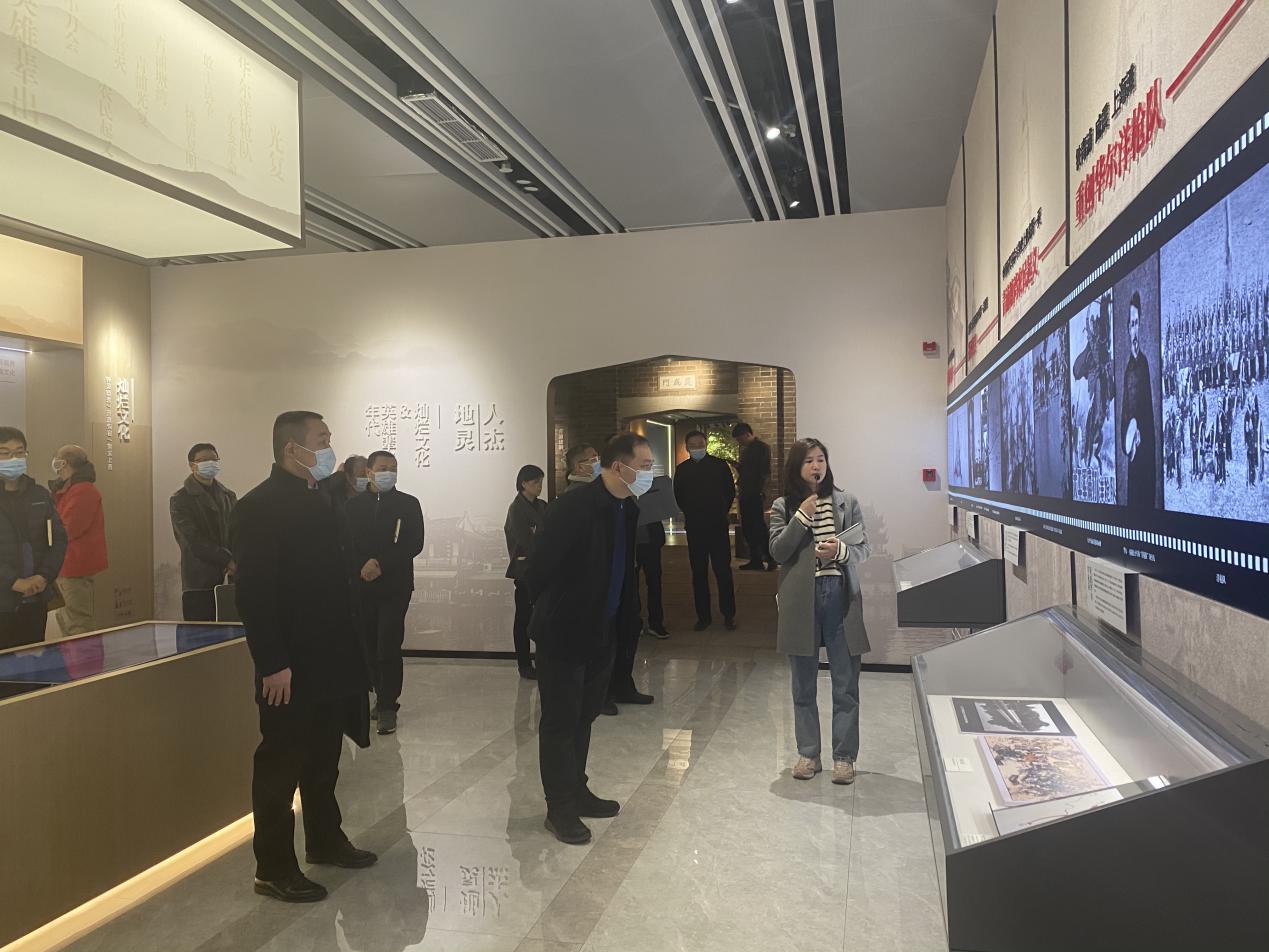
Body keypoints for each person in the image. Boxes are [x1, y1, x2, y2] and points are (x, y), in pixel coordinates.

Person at [230, 410, 376, 904]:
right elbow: (254, 594)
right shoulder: (259, 507)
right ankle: (273, 867)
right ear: (292, 448)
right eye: (322, 438)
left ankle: (325, 838)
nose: (329, 446)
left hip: (332, 657)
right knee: (280, 766)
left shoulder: (325, 500)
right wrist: (272, 662)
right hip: (289, 665)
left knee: (323, 759)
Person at [527, 434, 653, 845]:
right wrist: (561, 608)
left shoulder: (626, 507)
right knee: (560, 721)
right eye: (644, 466)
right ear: (619, 467)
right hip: (564, 631)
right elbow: (537, 568)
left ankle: (577, 790)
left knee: (584, 716)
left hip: (603, 631)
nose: (649, 474)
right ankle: (559, 807)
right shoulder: (575, 506)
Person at [769, 438, 871, 785]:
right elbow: (778, 552)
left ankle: (844, 758)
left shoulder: (847, 501)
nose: (816, 466)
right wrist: (801, 516)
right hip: (801, 599)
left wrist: (840, 551)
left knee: (846, 683)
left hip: (840, 597)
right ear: (796, 467)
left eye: (821, 459)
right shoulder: (783, 506)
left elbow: (864, 549)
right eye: (809, 461)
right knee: (803, 684)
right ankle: (808, 754)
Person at [347, 451, 425, 736]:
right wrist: (362, 565)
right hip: (363, 583)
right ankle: (379, 695)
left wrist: (380, 563)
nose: (388, 473)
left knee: (388, 643)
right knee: (368, 644)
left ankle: (388, 705)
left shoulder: (408, 504)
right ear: (368, 472)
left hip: (395, 585)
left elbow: (414, 543)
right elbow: (345, 543)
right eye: (382, 468)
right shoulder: (352, 506)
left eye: (393, 468)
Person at [0, 428, 66, 650]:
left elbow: (59, 539)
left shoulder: (39, 494)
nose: (13, 459)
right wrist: (13, 582)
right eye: (5, 453)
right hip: (3, 600)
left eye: (19, 452)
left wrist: (44, 576)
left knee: (34, 660)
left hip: (35, 598)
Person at [673, 431, 737, 631]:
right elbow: (678, 496)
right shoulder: (682, 469)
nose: (697, 448)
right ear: (687, 447)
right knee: (698, 573)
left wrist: (721, 511)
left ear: (706, 444)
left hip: (717, 526)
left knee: (723, 571)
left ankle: (728, 614)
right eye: (692, 445)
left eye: (700, 444)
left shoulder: (720, 466)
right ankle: (703, 617)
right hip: (695, 528)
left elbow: (730, 492)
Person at [169, 443, 238, 622]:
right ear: (192, 465)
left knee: (231, 632)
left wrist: (236, 560)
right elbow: (192, 541)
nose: (210, 464)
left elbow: (237, 532)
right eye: (204, 460)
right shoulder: (180, 500)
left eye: (214, 460)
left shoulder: (228, 496)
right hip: (199, 582)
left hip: (230, 579)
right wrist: (227, 559)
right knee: (200, 633)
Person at [50, 445, 108, 637]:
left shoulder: (82, 491)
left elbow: (68, 528)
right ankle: (73, 655)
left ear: (64, 463)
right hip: (67, 564)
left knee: (77, 622)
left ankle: (84, 657)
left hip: (74, 565)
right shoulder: (73, 489)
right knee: (67, 619)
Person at [504, 464, 547, 679]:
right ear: (523, 484)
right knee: (523, 618)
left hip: (543, 569)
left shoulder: (542, 505)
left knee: (542, 616)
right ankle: (524, 664)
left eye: (540, 481)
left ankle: (543, 659)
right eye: (535, 482)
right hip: (525, 570)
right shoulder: (516, 509)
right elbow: (525, 541)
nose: (539, 486)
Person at [1120, 292, 1157, 506]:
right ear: (1127, 328)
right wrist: (1127, 442)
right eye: (1131, 324)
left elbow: (1148, 412)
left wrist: (1141, 430)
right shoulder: (1127, 370)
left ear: (1140, 326)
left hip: (1145, 453)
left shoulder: (1144, 364)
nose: (1134, 330)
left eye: (1136, 323)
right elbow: (1125, 413)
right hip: (1133, 453)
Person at [734, 423, 775, 571]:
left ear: (747, 434)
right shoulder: (748, 450)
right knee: (748, 527)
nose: (740, 442)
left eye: (740, 439)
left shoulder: (761, 448)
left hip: (754, 493)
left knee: (757, 527)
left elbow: (763, 472)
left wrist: (761, 491)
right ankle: (756, 559)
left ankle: (769, 558)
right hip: (747, 492)